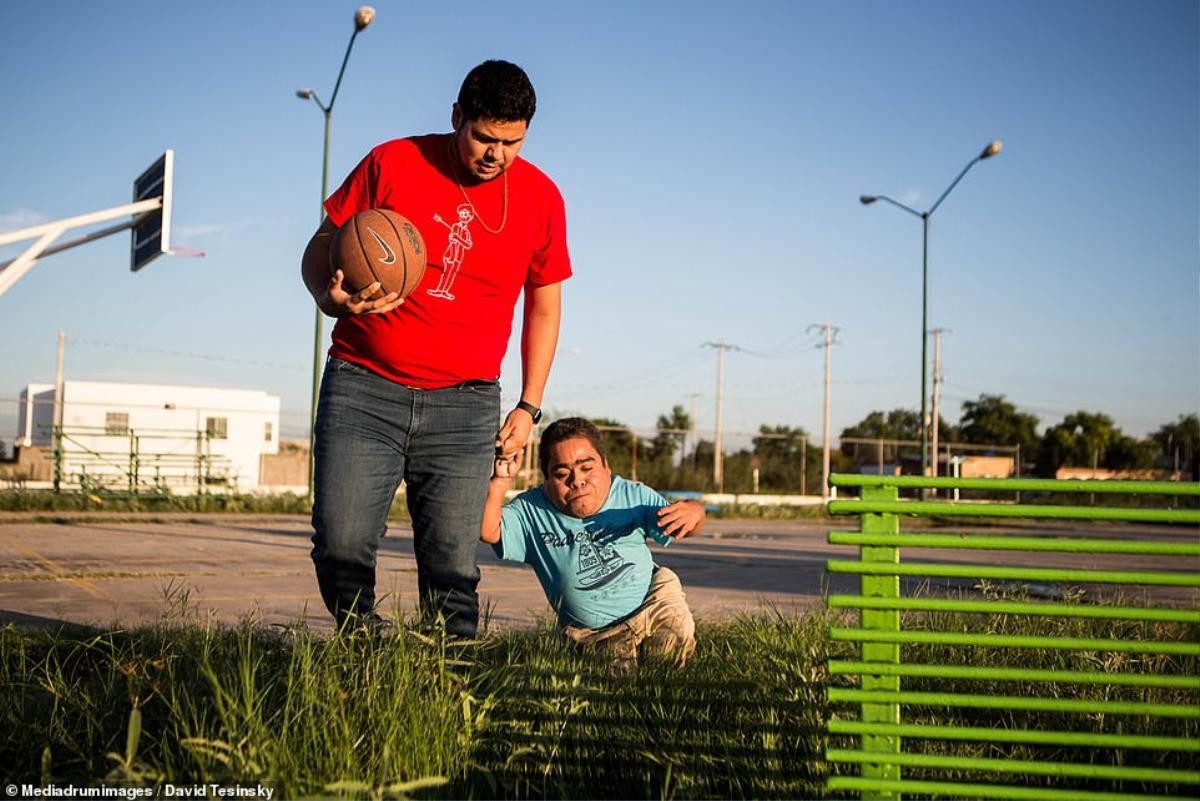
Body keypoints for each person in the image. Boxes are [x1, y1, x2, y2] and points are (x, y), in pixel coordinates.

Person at [300, 60, 571, 638]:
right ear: (456, 117)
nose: (496, 154)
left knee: (451, 562)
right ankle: (364, 652)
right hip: (363, 384)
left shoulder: (543, 198)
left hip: (465, 403)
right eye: (483, 137)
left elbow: (544, 305)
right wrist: (330, 296)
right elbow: (320, 245)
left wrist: (528, 406)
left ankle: (451, 680)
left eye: (512, 142)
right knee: (341, 542)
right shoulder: (393, 161)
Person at [482, 418, 705, 672]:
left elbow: (684, 524)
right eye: (562, 474)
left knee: (667, 656)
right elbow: (489, 530)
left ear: (606, 467)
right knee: (614, 675)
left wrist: (695, 512)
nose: (577, 480)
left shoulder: (631, 495)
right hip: (594, 631)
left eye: (587, 468)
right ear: (546, 480)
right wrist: (499, 483)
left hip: (653, 602)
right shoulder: (531, 511)